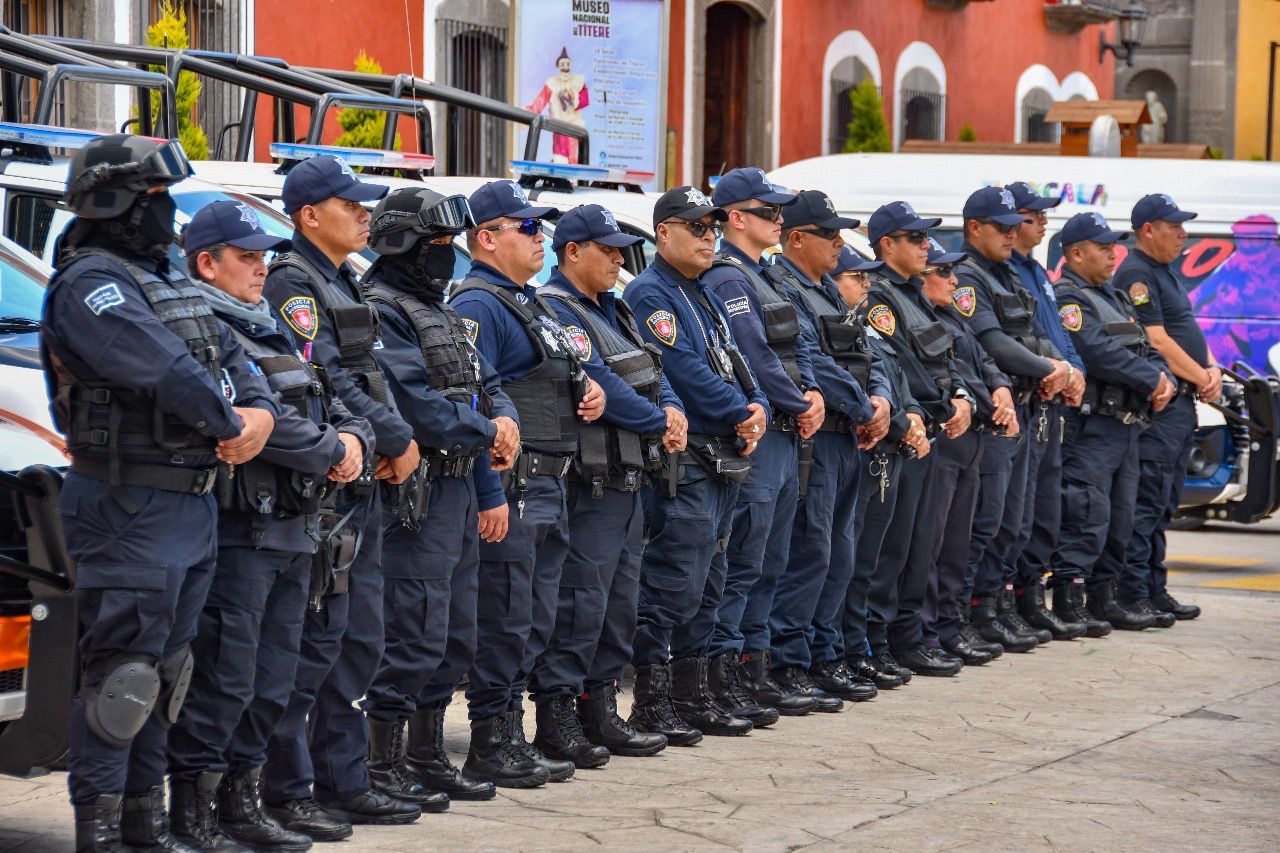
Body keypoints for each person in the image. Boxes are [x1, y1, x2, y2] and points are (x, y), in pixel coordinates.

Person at [43, 134, 278, 852]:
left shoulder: (166, 280)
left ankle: (148, 826)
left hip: (189, 501)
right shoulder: (92, 283)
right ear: (114, 202)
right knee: (124, 680)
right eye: (155, 199)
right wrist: (232, 422)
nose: (165, 213)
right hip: (130, 503)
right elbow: (169, 370)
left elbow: (238, 359)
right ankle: (102, 831)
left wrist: (261, 416)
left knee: (168, 676)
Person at [168, 201, 374, 852]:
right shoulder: (202, 327)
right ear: (207, 264)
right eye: (247, 257)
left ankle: (244, 800)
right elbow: (254, 421)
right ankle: (195, 811)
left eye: (263, 256)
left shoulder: (273, 328)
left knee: (274, 679)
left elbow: (332, 397)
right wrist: (331, 447)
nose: (261, 268)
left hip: (294, 529)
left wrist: (355, 439)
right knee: (225, 679)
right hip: (240, 532)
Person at [262, 156, 423, 837]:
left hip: (360, 483)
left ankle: (343, 778)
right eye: (350, 204)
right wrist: (395, 436)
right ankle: (289, 788)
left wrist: (390, 436)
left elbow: (367, 373)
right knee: (311, 645)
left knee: (357, 639)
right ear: (309, 215)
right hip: (326, 488)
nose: (364, 215)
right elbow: (324, 378)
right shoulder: (292, 284)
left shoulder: (342, 278)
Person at [358, 188, 520, 805]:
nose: (446, 254)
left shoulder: (442, 311)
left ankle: (426, 756)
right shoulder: (382, 308)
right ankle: (382, 763)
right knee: (413, 633)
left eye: (450, 243)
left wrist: (502, 420)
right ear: (402, 245)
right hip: (415, 497)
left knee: (455, 635)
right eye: (435, 244)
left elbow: (487, 381)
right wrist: (487, 428)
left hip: (459, 488)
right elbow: (414, 403)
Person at [449, 180, 605, 787]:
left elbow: (555, 372)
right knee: (507, 617)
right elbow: (477, 394)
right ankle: (492, 739)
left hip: (550, 481)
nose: (542, 238)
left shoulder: (528, 302)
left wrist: (587, 389)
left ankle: (513, 731)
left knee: (537, 618)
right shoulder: (477, 305)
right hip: (514, 483)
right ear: (487, 238)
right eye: (529, 228)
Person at [535, 203, 686, 762]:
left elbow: (654, 370)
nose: (620, 259)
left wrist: (672, 409)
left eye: (622, 250)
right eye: (609, 249)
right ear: (573, 251)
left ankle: (600, 711)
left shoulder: (614, 310)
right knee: (580, 602)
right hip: (591, 483)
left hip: (629, 478)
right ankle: (556, 718)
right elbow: (599, 382)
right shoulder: (557, 309)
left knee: (618, 603)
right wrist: (658, 420)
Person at [623, 186, 768, 742]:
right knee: (673, 582)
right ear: (664, 233)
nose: (710, 237)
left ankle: (691, 691)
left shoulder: (702, 290)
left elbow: (737, 361)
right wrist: (740, 412)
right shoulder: (651, 293)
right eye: (697, 227)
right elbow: (682, 370)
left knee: (711, 580)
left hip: (722, 455)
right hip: (687, 459)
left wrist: (755, 404)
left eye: (713, 228)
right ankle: (652, 699)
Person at [703, 168, 827, 719]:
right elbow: (754, 355)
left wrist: (813, 393)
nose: (779, 219)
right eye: (768, 212)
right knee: (742, 563)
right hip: (762, 437)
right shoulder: (730, 278)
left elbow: (802, 346)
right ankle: (724, 673)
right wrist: (802, 403)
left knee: (770, 561)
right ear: (736, 217)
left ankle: (754, 668)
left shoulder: (766, 275)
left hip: (785, 434)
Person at [765, 192, 885, 708]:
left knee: (839, 553)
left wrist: (882, 400)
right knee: (810, 551)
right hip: (818, 439)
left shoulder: (830, 291)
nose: (840, 243)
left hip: (848, 437)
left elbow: (871, 353)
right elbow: (811, 363)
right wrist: (864, 407)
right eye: (829, 234)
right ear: (796, 238)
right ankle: (790, 660)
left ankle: (824, 651)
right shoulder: (785, 290)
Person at [953, 187, 1072, 652]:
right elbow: (992, 343)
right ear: (974, 228)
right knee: (987, 522)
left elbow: (1037, 333)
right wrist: (1049, 369)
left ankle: (996, 606)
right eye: (1001, 227)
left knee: (1016, 521)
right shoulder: (968, 276)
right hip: (996, 413)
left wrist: (1061, 368)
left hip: (1025, 406)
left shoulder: (1008, 273)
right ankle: (970, 612)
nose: (1012, 233)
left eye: (1013, 225)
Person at [861, 201, 975, 677]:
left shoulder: (915, 294)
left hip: (929, 433)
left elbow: (947, 359)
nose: (928, 246)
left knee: (919, 546)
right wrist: (946, 407)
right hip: (906, 435)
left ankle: (908, 639)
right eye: (917, 238)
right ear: (887, 244)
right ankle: (882, 642)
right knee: (891, 551)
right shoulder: (880, 299)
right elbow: (902, 367)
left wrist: (963, 395)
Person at [1052, 212, 1176, 631]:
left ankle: (1105, 598)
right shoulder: (1069, 299)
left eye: (1114, 248)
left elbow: (1147, 347)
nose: (1113, 255)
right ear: (1076, 254)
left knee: (1121, 520)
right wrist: (1151, 379)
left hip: (1127, 426)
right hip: (1093, 426)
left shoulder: (1117, 297)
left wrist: (1165, 377)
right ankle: (1070, 600)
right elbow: (1097, 351)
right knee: (1085, 514)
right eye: (1104, 248)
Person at [918, 238, 1018, 665]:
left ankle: (948, 627)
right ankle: (926, 634)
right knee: (933, 544)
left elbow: (983, 359)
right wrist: (992, 403)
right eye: (943, 271)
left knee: (960, 542)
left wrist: (1002, 389)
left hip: (973, 439)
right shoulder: (919, 316)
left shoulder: (951, 316)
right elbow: (954, 372)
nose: (953, 279)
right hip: (948, 438)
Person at [1114, 194, 1210, 622]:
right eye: (1174, 227)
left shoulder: (1163, 272)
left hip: (1181, 403)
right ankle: (1133, 592)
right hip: (1161, 408)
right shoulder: (1137, 273)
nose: (1183, 234)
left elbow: (1183, 330)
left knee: (1165, 501)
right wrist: (1202, 376)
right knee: (1147, 501)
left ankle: (1154, 587)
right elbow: (1156, 339)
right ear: (1148, 230)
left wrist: (1210, 370)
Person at [1004, 183, 1088, 642]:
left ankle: (1031, 597)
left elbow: (1060, 334)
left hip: (1052, 401)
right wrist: (1058, 369)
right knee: (1014, 514)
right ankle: (1006, 602)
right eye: (1033, 216)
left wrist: (1075, 371)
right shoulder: (1006, 273)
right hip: (1029, 398)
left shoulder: (1037, 270)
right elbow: (1023, 338)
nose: (1042, 223)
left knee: (1044, 509)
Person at [525, 47, 589, 164]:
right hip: (559, 128)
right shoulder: (552, 84)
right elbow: (540, 102)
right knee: (560, 159)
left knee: (575, 159)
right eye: (562, 64)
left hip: (575, 127)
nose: (565, 67)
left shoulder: (577, 82)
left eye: (567, 64)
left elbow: (585, 100)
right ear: (558, 66)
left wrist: (573, 97)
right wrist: (527, 113)